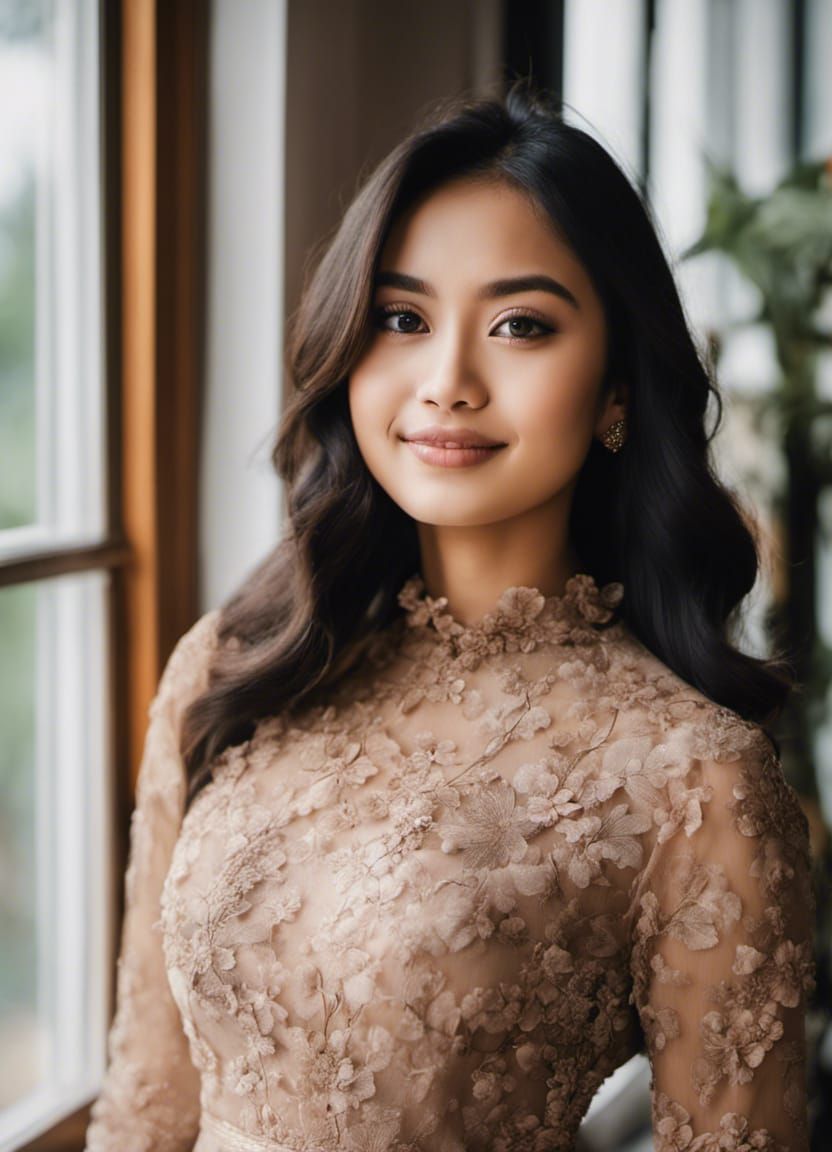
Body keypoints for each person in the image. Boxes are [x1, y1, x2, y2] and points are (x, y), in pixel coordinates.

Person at [84, 79, 816, 1152]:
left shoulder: (691, 778)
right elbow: (146, 1103)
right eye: (401, 318)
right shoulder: (234, 669)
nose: (445, 381)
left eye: (521, 325)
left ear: (616, 387)